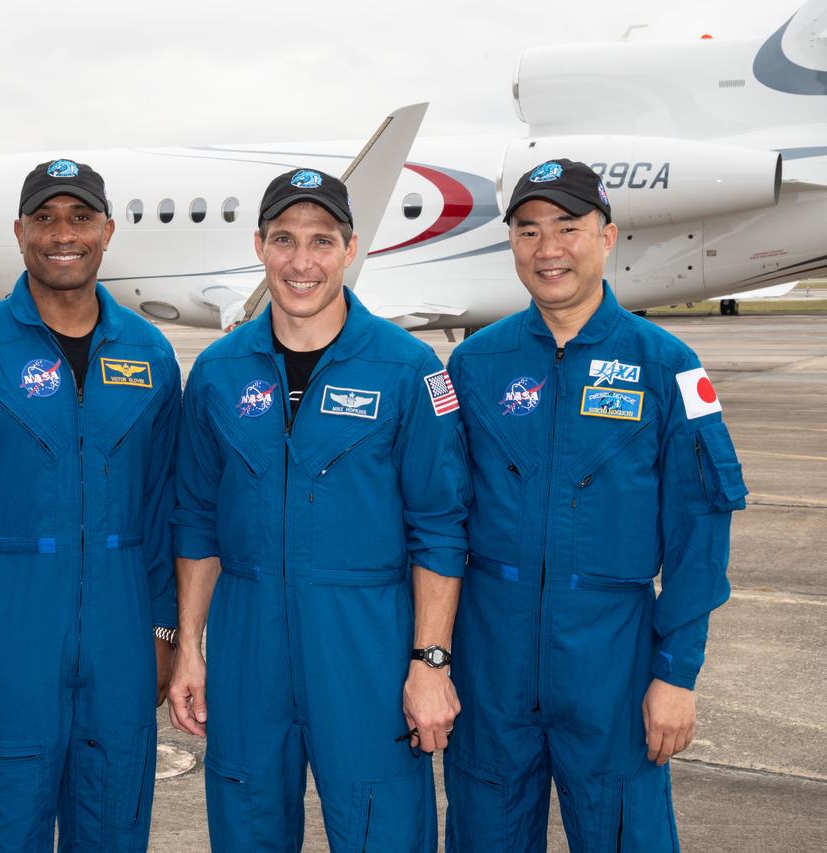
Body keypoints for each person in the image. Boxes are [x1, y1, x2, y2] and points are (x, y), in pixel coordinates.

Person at [443, 159, 747, 851]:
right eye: (528, 231)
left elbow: (700, 533)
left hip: (613, 663)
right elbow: (438, 519)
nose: (549, 248)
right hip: (491, 662)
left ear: (607, 237)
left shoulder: (667, 364)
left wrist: (676, 673)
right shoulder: (474, 365)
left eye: (568, 227)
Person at [168, 168, 470, 851]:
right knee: (246, 822)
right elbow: (195, 520)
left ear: (350, 248)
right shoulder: (217, 372)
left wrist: (430, 661)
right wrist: (190, 647)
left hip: (364, 638)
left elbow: (440, 527)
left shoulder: (407, 368)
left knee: (382, 827)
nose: (301, 261)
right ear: (260, 244)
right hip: (247, 638)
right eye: (283, 239)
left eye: (321, 241)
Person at [0, 159, 181, 851]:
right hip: (8, 630)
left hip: (123, 633)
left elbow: (164, 508)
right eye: (47, 218)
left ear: (107, 230)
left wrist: (166, 633)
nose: (65, 234)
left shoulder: (149, 355)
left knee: (115, 826)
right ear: (20, 231)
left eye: (81, 217)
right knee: (8, 829)